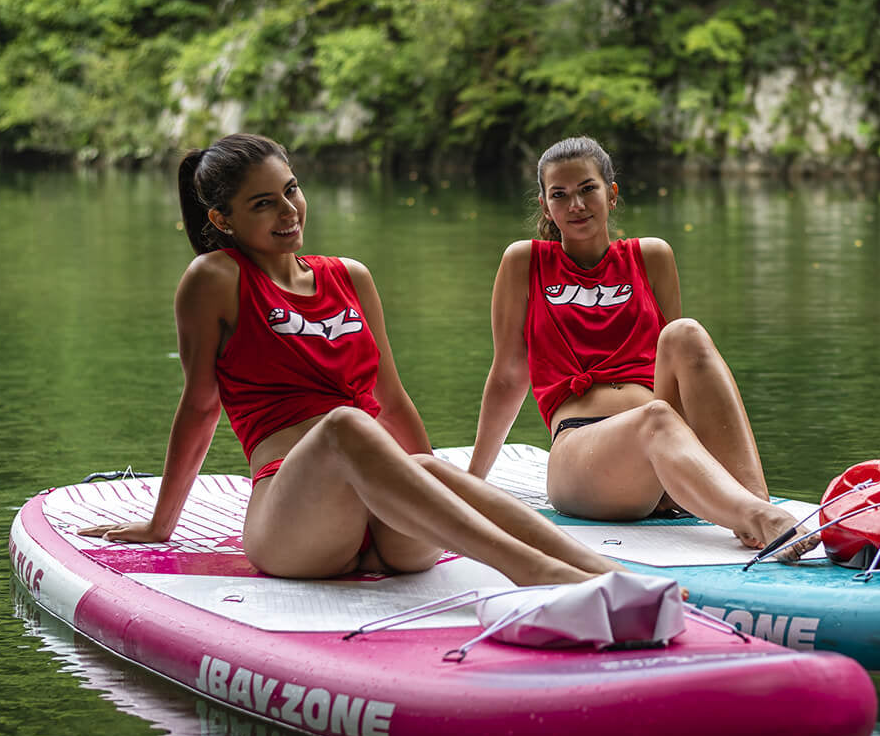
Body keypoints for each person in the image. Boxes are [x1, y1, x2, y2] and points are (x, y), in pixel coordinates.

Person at [80, 132, 619, 586]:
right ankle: (545, 578)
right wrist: (160, 525)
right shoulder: (215, 279)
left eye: (291, 190)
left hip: (390, 526)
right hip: (299, 525)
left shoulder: (350, 276)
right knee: (347, 426)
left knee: (424, 463)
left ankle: (607, 577)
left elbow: (392, 399)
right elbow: (200, 408)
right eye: (263, 203)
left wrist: (427, 486)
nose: (289, 212)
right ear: (222, 219)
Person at [468, 135, 815, 561]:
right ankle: (756, 516)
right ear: (545, 205)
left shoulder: (652, 256)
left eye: (587, 189)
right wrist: (473, 484)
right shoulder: (525, 262)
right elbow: (507, 376)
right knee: (655, 417)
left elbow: (680, 372)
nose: (575, 204)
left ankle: (753, 505)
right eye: (560, 194)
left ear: (611, 195)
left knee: (684, 334)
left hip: (665, 450)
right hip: (586, 460)